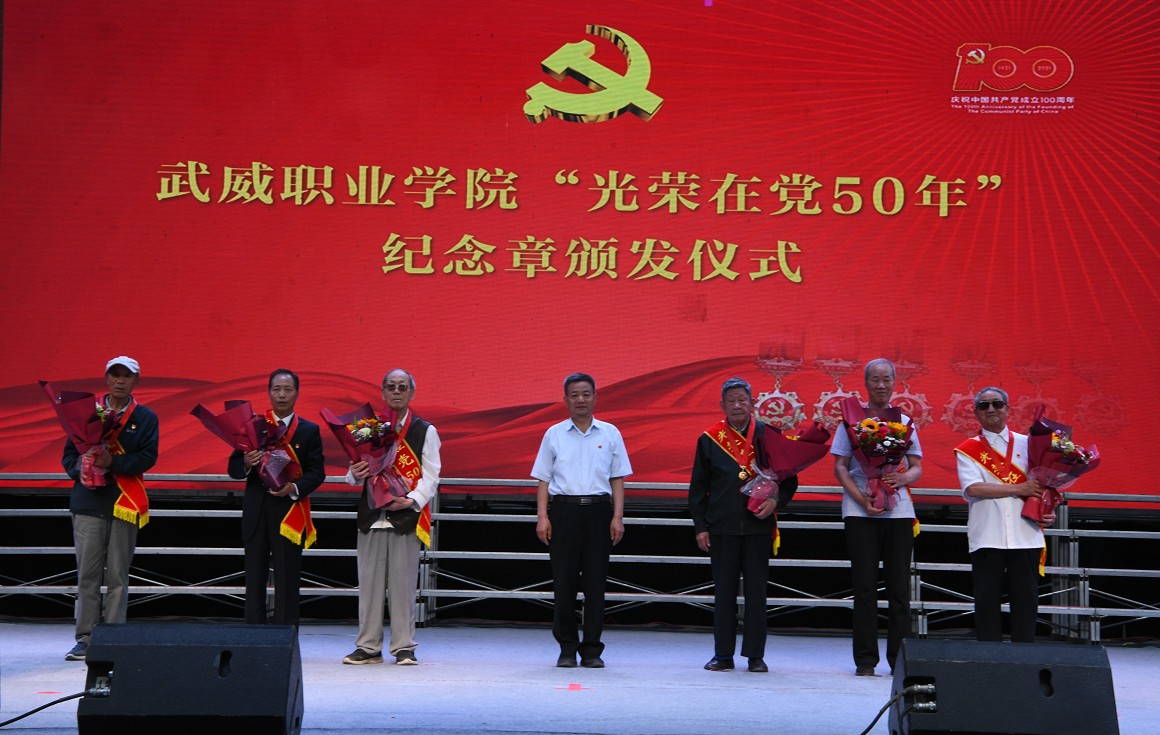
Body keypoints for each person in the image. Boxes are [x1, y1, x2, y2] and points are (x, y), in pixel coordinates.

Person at [689, 377, 798, 673]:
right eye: (731, 400)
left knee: (756, 593)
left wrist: (775, 501)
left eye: (742, 399)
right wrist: (701, 526)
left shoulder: (769, 435)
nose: (737, 405)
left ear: (752, 403)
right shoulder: (709, 439)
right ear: (722, 405)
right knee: (723, 593)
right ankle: (723, 655)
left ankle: (755, 656)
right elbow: (698, 489)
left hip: (758, 526)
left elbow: (790, 480)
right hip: (721, 527)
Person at [61, 356, 158, 661]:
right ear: (106, 379)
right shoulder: (86, 413)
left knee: (117, 575)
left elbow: (147, 457)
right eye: (114, 375)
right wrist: (83, 468)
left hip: (124, 502)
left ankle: (114, 637)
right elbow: (68, 457)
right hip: (88, 503)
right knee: (88, 575)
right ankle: (85, 638)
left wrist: (111, 462)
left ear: (136, 381)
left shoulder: (145, 417)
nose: (120, 381)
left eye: (126, 376)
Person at [533, 373, 632, 668]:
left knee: (595, 585)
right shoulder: (554, 434)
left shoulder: (610, 433)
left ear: (595, 398)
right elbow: (543, 479)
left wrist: (617, 516)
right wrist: (542, 517)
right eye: (574, 394)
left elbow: (617, 479)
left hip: (599, 512)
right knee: (564, 585)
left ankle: (591, 650)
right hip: (564, 512)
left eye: (586, 394)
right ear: (565, 400)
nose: (580, 399)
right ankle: (566, 648)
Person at [342, 369, 441, 666]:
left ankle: (403, 647)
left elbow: (431, 475)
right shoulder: (367, 428)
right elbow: (352, 475)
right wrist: (354, 473)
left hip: (405, 517)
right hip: (371, 515)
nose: (397, 391)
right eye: (391, 386)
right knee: (369, 586)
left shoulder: (425, 430)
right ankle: (368, 646)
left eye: (402, 387)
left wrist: (411, 501)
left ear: (412, 392)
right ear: (383, 392)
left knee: (403, 585)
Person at [831, 358, 923, 676]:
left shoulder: (905, 421)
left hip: (899, 511)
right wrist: (862, 499)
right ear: (866, 383)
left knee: (899, 589)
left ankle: (899, 659)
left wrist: (902, 478)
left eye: (886, 379)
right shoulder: (851, 421)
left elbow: (916, 466)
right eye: (875, 379)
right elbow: (840, 466)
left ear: (895, 382)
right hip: (860, 511)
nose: (881, 384)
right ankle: (866, 660)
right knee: (865, 588)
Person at [954, 386, 1053, 642]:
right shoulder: (967, 449)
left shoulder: (1029, 444)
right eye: (984, 405)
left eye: (997, 404)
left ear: (1008, 409)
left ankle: (1025, 658)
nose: (991, 409)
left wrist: (1047, 510)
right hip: (988, 535)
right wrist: (1019, 488)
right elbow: (973, 488)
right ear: (976, 412)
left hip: (1026, 533)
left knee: (1026, 602)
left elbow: (1044, 486)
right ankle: (989, 658)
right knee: (986, 602)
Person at [228, 368, 325, 625]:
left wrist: (293, 488)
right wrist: (246, 462)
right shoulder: (253, 426)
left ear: (297, 393)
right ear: (269, 392)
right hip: (257, 512)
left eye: (287, 389)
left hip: (289, 513)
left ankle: (285, 636)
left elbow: (317, 473)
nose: (282, 395)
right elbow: (233, 469)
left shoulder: (308, 430)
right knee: (254, 578)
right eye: (276, 389)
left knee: (287, 578)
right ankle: (254, 636)